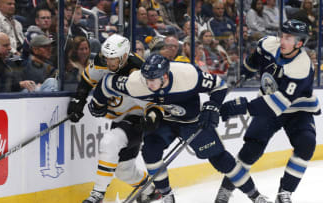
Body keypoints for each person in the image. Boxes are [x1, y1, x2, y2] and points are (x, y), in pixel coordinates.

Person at [88, 54, 272, 203]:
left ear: (165, 76)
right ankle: (167, 196)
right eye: (146, 79)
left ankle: (255, 196)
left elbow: (219, 85)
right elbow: (107, 83)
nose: (149, 84)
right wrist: (97, 103)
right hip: (163, 121)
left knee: (221, 160)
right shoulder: (137, 83)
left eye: (153, 80)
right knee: (151, 152)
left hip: (191, 121)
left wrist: (212, 105)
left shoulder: (188, 75)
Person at [214, 19, 321, 203]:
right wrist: (239, 76)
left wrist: (244, 106)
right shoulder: (267, 44)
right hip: (269, 101)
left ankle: (284, 193)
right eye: (283, 35)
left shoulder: (301, 67)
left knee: (306, 144)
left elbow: (279, 103)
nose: (282, 40)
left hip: (297, 109)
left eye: (289, 38)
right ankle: (225, 189)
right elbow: (252, 62)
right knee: (251, 149)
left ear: (300, 43)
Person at [66, 34, 160, 203]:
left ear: (124, 56)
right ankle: (150, 190)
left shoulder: (139, 70)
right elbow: (88, 80)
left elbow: (156, 98)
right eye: (107, 58)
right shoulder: (103, 60)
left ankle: (98, 194)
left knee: (109, 142)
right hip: (118, 119)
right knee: (124, 170)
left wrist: (152, 118)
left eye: (114, 59)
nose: (109, 63)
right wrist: (78, 100)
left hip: (136, 118)